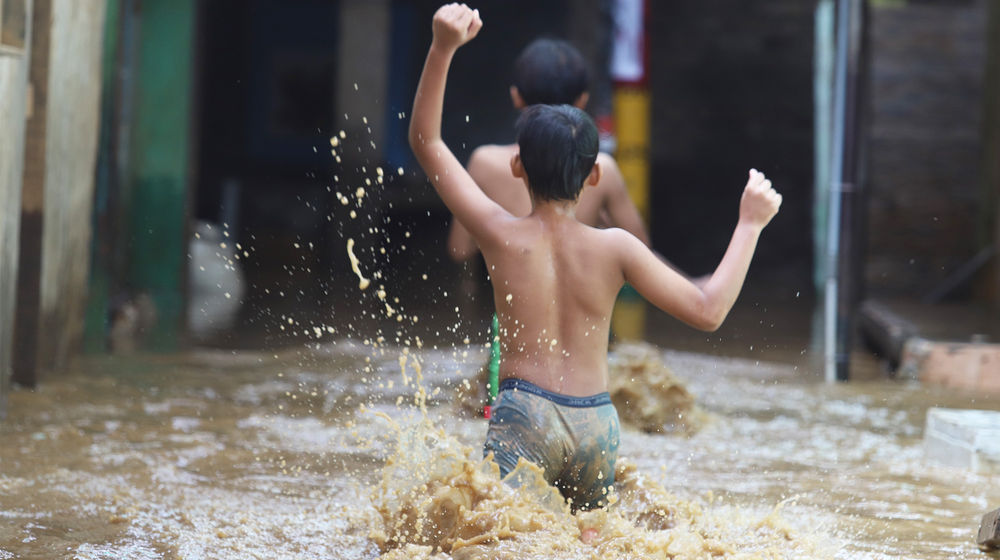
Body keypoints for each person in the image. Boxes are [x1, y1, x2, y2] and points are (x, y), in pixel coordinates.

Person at [409, 3, 781, 513]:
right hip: (597, 423)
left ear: (517, 167)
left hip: (524, 413)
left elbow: (426, 141)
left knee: (505, 537)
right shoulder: (618, 249)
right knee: (591, 540)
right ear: (594, 177)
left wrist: (442, 47)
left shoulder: (497, 233)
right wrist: (749, 224)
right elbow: (708, 309)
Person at [446, 37, 650, 261]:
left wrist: (499, 231)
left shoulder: (484, 163)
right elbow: (644, 256)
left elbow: (460, 250)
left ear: (516, 96)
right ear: (582, 101)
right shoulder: (602, 169)